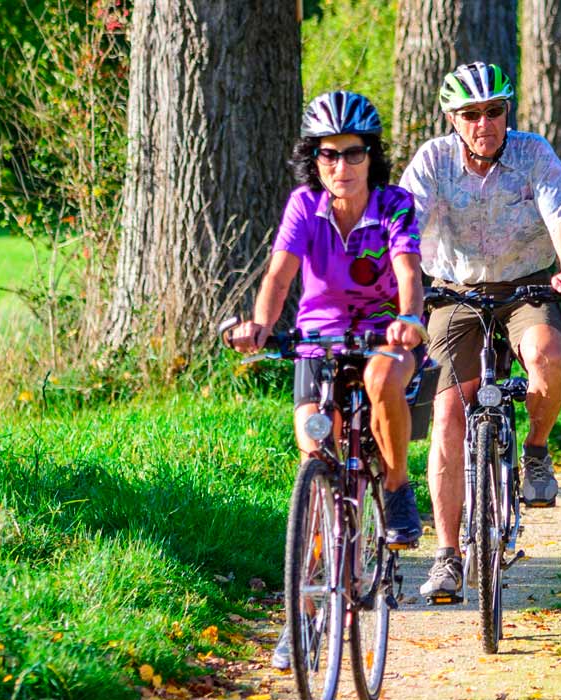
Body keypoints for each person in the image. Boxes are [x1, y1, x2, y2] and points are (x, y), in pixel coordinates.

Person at [226, 91, 426, 668]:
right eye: (329, 154)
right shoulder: (302, 205)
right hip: (318, 340)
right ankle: (304, 615)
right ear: (313, 159)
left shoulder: (394, 204)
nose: (342, 167)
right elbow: (279, 276)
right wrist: (261, 325)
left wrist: (410, 319)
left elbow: (408, 271)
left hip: (384, 334)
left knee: (384, 378)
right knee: (314, 456)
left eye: (354, 154)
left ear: (372, 156)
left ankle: (394, 489)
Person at [398, 61, 561, 602]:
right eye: (470, 114)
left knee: (547, 356)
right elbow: (404, 228)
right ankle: (447, 556)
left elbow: (559, 212)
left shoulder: (532, 151)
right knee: (446, 415)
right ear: (451, 118)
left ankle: (534, 449)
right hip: (454, 290)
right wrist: (399, 290)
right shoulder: (433, 160)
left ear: (508, 111)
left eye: (494, 111)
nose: (484, 123)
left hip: (527, 286)